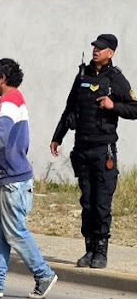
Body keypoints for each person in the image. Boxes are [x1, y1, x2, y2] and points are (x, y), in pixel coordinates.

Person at [0, 58, 57, 299]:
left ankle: (44, 274)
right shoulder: (14, 100)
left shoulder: (9, 100)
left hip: (11, 179)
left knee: (15, 231)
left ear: (2, 78)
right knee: (0, 233)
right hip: (6, 179)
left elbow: (2, 131)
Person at [50, 34, 137, 269]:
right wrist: (57, 137)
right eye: (94, 47)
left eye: (101, 48)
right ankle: (89, 250)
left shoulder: (116, 78)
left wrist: (113, 105)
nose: (96, 51)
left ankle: (101, 251)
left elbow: (134, 108)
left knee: (101, 204)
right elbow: (69, 108)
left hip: (104, 149)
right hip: (82, 148)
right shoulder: (82, 76)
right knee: (87, 202)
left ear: (111, 52)